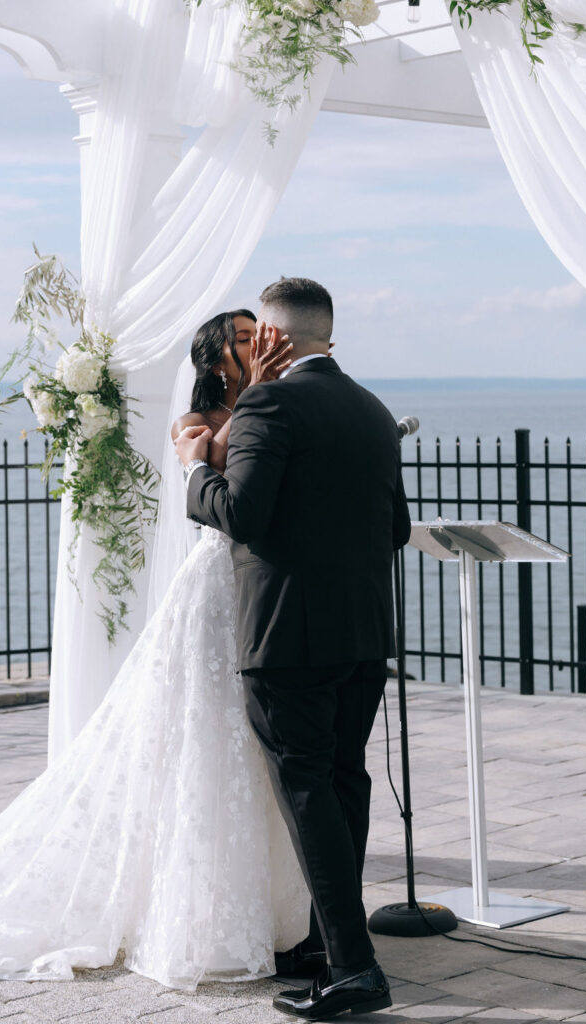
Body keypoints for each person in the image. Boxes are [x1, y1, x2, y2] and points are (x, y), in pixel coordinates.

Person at [0, 309, 309, 992]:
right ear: (218, 360)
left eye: (260, 336)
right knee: (208, 742)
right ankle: (207, 920)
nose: (259, 347)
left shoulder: (269, 408)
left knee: (253, 749)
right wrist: (258, 395)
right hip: (215, 594)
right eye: (243, 340)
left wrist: (268, 392)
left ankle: (272, 913)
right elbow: (217, 475)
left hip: (256, 593)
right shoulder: (197, 425)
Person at [176, 277, 412, 1020]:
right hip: (363, 631)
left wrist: (193, 472)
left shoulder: (267, 403)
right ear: (328, 335)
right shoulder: (371, 409)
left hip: (288, 634)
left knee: (307, 790)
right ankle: (322, 944)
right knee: (344, 783)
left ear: (272, 338)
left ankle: (353, 968)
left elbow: (239, 512)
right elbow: (396, 529)